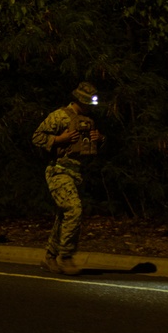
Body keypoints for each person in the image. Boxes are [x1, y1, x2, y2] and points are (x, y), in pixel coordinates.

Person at [31, 82, 105, 275]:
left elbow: (90, 147)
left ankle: (50, 256)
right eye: (88, 102)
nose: (90, 106)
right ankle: (66, 256)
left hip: (77, 173)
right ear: (79, 99)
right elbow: (37, 137)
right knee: (74, 209)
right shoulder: (60, 116)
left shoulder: (87, 119)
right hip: (59, 170)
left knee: (63, 215)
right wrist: (58, 140)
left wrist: (100, 139)